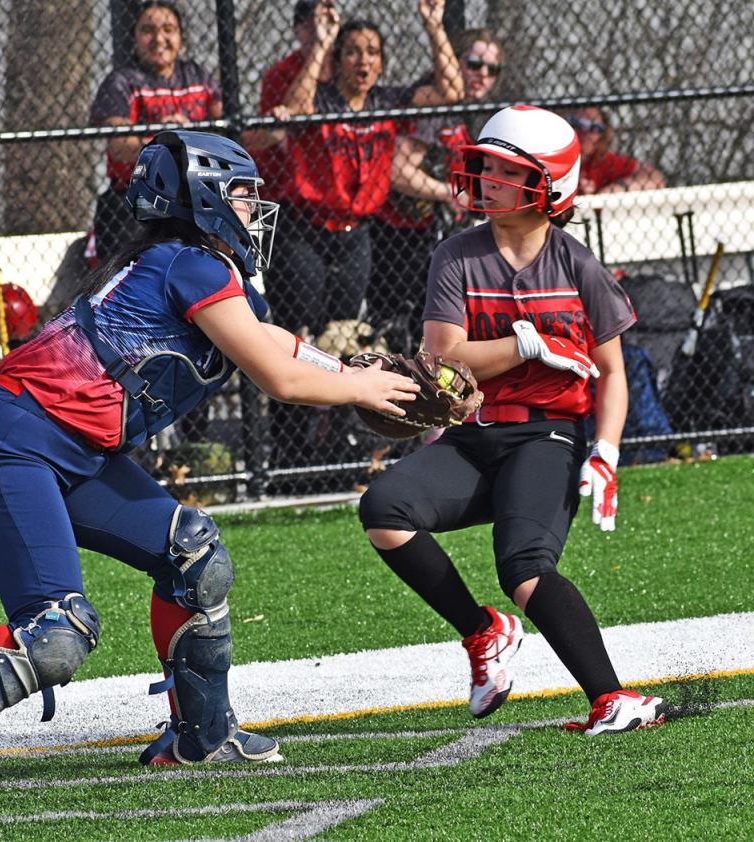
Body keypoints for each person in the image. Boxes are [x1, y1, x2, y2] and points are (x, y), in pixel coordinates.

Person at [0, 129, 419, 802]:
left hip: (63, 446)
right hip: (10, 443)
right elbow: (278, 375)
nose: (255, 209)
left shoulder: (195, 268)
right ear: (204, 199)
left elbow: (279, 344)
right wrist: (362, 388)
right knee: (57, 633)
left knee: (193, 552)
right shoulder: (191, 263)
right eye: (243, 195)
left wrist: (352, 371)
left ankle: (204, 734)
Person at [359, 105, 670, 735]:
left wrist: (606, 450)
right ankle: (483, 632)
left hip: (549, 433)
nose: (486, 176)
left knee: (524, 564)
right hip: (475, 431)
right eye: (486, 164)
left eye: (506, 169)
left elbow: (611, 372)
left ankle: (614, 699)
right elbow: (441, 356)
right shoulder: (456, 255)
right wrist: (523, 346)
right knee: (384, 508)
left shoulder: (578, 263)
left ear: (549, 188)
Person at [265, 1, 463, 473]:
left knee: (345, 340)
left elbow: (452, 91)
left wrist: (433, 26)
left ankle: (337, 451)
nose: (363, 61)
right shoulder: (322, 97)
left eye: (372, 52)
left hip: (357, 235)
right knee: (301, 340)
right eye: (353, 52)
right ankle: (290, 456)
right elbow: (292, 111)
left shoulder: (386, 101)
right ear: (339, 59)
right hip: (306, 230)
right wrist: (324, 42)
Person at [370, 27, 505, 353]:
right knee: (409, 332)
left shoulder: (467, 112)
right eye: (474, 64)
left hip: (436, 234)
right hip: (402, 238)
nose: (482, 75)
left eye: (492, 69)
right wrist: (448, 192)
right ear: (452, 61)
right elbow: (398, 172)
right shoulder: (436, 102)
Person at [89, 0, 222, 267]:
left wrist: (193, 134)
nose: (159, 38)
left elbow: (228, 131)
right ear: (135, 37)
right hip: (138, 197)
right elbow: (120, 146)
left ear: (180, 37)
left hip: (194, 193)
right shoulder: (122, 81)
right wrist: (165, 139)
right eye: (148, 30)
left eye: (168, 29)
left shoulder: (198, 76)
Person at [251, 0, 341, 204]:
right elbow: (297, 111)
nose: (320, 30)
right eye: (311, 26)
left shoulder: (343, 66)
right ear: (298, 31)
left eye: (326, 24)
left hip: (338, 178)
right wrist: (320, 45)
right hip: (292, 188)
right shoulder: (280, 73)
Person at [569, 106, 665, 194]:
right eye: (578, 124)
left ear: (602, 135)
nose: (585, 132)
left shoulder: (600, 159)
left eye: (594, 128)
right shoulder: (557, 154)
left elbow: (654, 177)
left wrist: (614, 189)